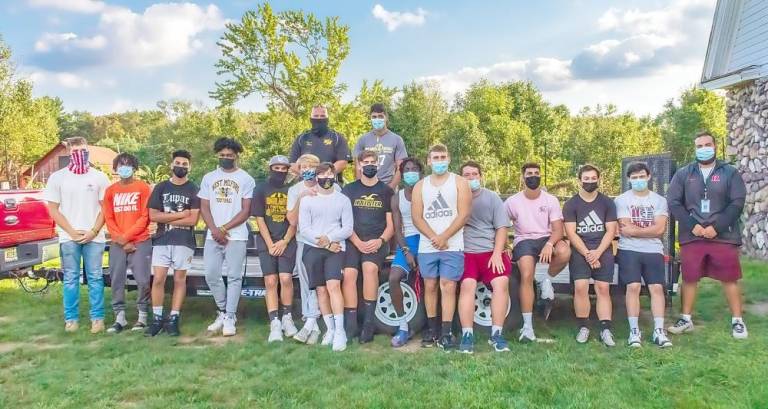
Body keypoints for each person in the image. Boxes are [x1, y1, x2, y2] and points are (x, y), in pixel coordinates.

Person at [667, 131, 748, 339]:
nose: (704, 149)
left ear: (714, 145)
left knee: (730, 278)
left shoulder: (730, 172)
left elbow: (737, 202)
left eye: (707, 144)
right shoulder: (684, 173)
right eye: (699, 146)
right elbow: (674, 201)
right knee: (690, 278)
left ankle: (737, 321)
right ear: (695, 149)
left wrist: (717, 226)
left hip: (723, 236)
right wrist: (692, 225)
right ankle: (686, 319)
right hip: (692, 235)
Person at [43, 137, 110, 334]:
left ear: (88, 151)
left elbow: (105, 208)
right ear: (69, 153)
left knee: (95, 277)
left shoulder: (99, 177)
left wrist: (94, 231)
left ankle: (97, 318)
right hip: (68, 237)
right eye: (76, 151)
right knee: (71, 278)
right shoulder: (57, 177)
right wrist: (71, 232)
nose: (80, 154)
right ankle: (71, 319)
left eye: (83, 150)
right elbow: (54, 209)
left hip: (94, 237)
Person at [411, 144, 471, 351]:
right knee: (430, 285)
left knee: (448, 285)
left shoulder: (460, 183)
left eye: (442, 157)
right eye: (435, 158)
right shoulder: (421, 186)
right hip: (428, 244)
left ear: (449, 158)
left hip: (452, 243)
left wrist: (444, 236)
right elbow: (416, 216)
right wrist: (433, 237)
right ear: (428, 161)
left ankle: (446, 332)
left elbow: (463, 214)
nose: (439, 161)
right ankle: (431, 329)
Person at [505, 162, 570, 342]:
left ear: (540, 176)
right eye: (529, 173)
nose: (533, 176)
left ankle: (544, 281)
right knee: (526, 274)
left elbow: (558, 229)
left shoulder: (551, 200)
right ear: (523, 177)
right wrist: (505, 246)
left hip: (546, 237)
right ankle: (528, 327)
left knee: (564, 251)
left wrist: (549, 244)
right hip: (524, 240)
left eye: (536, 173)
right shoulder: (512, 201)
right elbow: (501, 225)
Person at [198, 137, 255, 337]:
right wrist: (214, 230)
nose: (225, 158)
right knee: (211, 274)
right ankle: (222, 311)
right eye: (222, 155)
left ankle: (230, 316)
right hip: (213, 235)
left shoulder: (246, 178)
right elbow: (204, 206)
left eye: (229, 155)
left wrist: (224, 229)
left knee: (234, 276)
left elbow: (246, 210)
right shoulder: (208, 178)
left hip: (236, 235)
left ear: (236, 156)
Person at [614, 162, 672, 348]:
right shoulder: (621, 200)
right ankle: (634, 331)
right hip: (628, 249)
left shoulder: (659, 200)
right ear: (629, 179)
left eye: (641, 176)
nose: (638, 180)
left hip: (653, 250)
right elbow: (624, 229)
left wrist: (636, 230)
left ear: (648, 177)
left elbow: (660, 230)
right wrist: (649, 229)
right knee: (633, 287)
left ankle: (659, 331)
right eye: (634, 177)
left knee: (656, 288)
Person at [298, 162, 354, 351]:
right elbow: (304, 229)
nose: (326, 178)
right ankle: (329, 329)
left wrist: (330, 240)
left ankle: (340, 331)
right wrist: (324, 243)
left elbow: (347, 228)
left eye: (330, 174)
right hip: (313, 248)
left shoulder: (342, 200)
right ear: (316, 177)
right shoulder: (308, 200)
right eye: (322, 175)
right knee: (321, 290)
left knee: (333, 286)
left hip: (337, 247)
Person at [457, 161, 511, 353]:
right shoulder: (455, 197)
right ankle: (467, 334)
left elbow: (502, 228)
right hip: (466, 253)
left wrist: (497, 253)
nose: (471, 178)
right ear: (460, 178)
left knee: (501, 282)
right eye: (466, 175)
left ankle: (496, 334)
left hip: (490, 251)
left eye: (474, 174)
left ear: (480, 176)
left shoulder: (492, 197)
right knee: (467, 285)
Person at [341, 150, 395, 343]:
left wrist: (380, 241)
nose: (369, 165)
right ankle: (351, 324)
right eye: (366, 162)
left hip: (377, 240)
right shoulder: (349, 190)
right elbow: (344, 221)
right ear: (359, 165)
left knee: (370, 268)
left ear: (378, 165)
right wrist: (356, 241)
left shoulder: (386, 191)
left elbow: (391, 225)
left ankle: (369, 324)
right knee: (349, 274)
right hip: (353, 239)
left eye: (373, 162)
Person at [286, 154, 340, 344]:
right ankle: (312, 323)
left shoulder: (333, 187)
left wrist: (331, 240)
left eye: (312, 166)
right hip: (306, 242)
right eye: (304, 166)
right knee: (307, 283)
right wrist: (301, 198)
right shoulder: (295, 190)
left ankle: (312, 323)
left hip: (330, 244)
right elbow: (292, 220)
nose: (307, 170)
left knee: (323, 284)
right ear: (299, 170)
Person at [145, 150, 200, 337]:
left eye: (185, 164)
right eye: (178, 163)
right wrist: (180, 215)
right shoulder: (161, 187)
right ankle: (157, 318)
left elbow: (192, 220)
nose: (181, 167)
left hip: (184, 241)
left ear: (189, 167)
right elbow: (153, 215)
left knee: (179, 280)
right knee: (159, 279)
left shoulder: (193, 189)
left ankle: (174, 317)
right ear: (171, 165)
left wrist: (166, 218)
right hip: (162, 240)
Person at [563, 164, 618, 346]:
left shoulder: (607, 203)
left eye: (593, 178)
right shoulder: (571, 204)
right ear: (579, 181)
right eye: (586, 179)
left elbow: (610, 231)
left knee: (603, 288)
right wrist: (587, 254)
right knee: (581, 287)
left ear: (598, 179)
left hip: (602, 249)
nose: (590, 182)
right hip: (581, 251)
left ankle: (605, 329)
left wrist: (598, 253)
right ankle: (583, 327)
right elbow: (571, 233)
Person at [102, 153, 152, 334]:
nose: (124, 167)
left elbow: (145, 217)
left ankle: (142, 317)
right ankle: (120, 318)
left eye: (128, 164)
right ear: (115, 169)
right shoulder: (110, 191)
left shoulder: (143, 188)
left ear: (134, 167)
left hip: (140, 241)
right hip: (117, 243)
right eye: (121, 164)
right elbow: (108, 217)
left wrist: (127, 237)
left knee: (143, 280)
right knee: (116, 279)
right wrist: (120, 240)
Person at [252, 155, 298, 342]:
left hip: (287, 239)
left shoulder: (292, 189)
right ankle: (275, 322)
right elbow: (259, 218)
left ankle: (287, 317)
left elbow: (296, 219)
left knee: (286, 278)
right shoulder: (261, 188)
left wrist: (285, 241)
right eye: (276, 168)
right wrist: (270, 243)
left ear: (288, 170)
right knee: (270, 281)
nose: (280, 171)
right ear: (270, 168)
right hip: (266, 241)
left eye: (283, 168)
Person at [388, 157, 423, 348]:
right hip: (408, 240)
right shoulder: (397, 197)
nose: (410, 172)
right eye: (407, 169)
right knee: (393, 278)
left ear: (421, 172)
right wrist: (407, 251)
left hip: (428, 238)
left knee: (434, 280)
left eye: (414, 169)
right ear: (402, 174)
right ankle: (403, 326)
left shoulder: (429, 193)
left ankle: (436, 327)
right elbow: (397, 229)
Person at [353, 103, 408, 189]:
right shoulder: (362, 139)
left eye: (380, 116)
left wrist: (390, 187)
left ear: (386, 118)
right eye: (374, 117)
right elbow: (357, 166)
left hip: (387, 186)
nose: (377, 119)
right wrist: (361, 187)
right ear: (370, 118)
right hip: (366, 186)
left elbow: (400, 167)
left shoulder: (397, 139)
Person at [289, 105, 351, 180]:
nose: (319, 118)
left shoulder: (337, 137)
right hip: (306, 183)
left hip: (330, 182)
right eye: (316, 116)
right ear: (311, 118)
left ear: (327, 118)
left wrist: (325, 174)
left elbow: (343, 162)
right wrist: (308, 176)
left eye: (322, 116)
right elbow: (292, 164)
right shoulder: (301, 138)